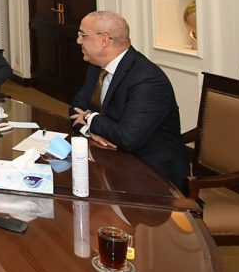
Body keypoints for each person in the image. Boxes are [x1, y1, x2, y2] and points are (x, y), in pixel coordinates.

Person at [69, 11, 188, 194]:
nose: (78, 41)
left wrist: (90, 118)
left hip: (153, 176)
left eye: (82, 35)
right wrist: (90, 131)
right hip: (113, 160)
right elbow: (74, 109)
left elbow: (127, 138)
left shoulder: (147, 79)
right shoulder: (96, 68)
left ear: (104, 39)